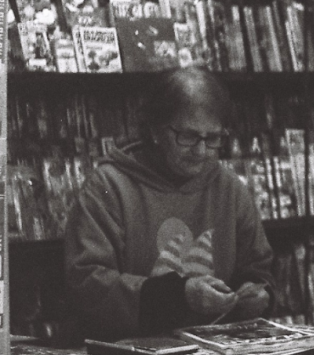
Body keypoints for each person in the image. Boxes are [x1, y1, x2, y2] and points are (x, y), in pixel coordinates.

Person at [64, 67, 275, 340]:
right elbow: (87, 285)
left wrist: (257, 295)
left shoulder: (229, 187)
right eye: (187, 137)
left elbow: (259, 269)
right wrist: (179, 296)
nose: (200, 152)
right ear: (155, 131)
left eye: (212, 139)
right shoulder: (108, 186)